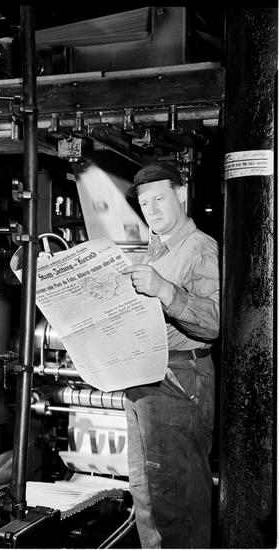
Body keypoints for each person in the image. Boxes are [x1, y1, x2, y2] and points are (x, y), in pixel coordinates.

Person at [122, 161, 220, 549]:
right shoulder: (154, 251)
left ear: (181, 194)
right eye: (145, 204)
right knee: (148, 496)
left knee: (177, 500)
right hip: (147, 378)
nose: (152, 210)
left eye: (159, 199)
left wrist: (164, 290)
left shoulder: (199, 248)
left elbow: (213, 323)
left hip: (179, 380)